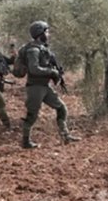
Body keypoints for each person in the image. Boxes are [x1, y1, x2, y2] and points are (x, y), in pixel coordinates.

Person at [20, 20, 80, 149]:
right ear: (39, 33)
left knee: (61, 108)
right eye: (46, 32)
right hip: (35, 87)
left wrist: (56, 72)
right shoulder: (33, 50)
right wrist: (51, 72)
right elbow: (33, 69)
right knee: (32, 115)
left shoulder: (42, 48)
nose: (48, 34)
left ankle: (65, 135)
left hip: (45, 87)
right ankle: (25, 141)